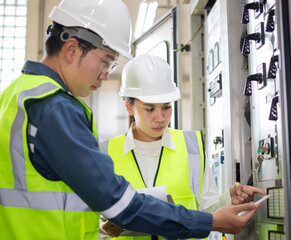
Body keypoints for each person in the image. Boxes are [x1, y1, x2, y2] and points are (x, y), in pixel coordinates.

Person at [0, 0, 261, 239]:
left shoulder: (17, 95)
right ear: (71, 49)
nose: (105, 75)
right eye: (105, 62)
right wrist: (209, 222)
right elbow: (118, 203)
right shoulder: (54, 107)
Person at [99, 54, 267, 239]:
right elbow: (94, 222)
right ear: (129, 107)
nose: (160, 117)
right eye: (150, 109)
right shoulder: (104, 153)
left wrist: (229, 199)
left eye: (166, 107)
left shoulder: (190, 146)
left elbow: (207, 209)